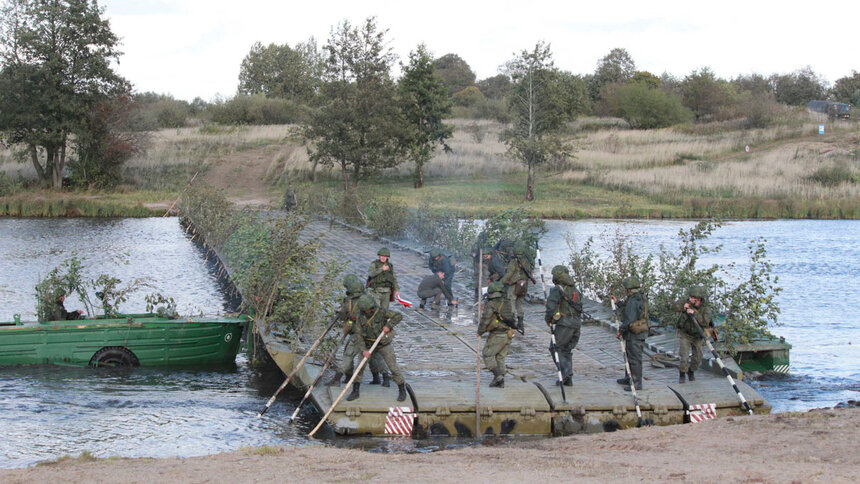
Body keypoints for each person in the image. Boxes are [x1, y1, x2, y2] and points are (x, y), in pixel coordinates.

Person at [327, 276, 390, 387]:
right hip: (373, 333)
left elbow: (343, 316)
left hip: (358, 334)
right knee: (375, 356)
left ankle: (339, 378)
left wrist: (342, 312)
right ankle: (383, 378)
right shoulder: (370, 299)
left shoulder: (349, 302)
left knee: (348, 354)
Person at [347, 295, 408, 402]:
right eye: (364, 310)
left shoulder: (381, 312)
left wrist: (388, 326)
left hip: (382, 344)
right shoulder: (359, 316)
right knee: (359, 368)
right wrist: (363, 350)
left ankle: (402, 389)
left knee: (393, 367)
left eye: (368, 309)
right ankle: (355, 391)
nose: (366, 312)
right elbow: (359, 335)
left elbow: (398, 316)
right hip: (367, 344)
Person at [544, 265, 583, 386]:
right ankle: (568, 377)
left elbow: (551, 307)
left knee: (555, 348)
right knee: (566, 349)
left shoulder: (557, 289)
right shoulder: (575, 289)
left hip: (565, 324)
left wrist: (549, 319)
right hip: (576, 323)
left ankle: (565, 373)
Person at [672, 285, 714, 383]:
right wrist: (683, 306)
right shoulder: (686, 302)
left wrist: (694, 313)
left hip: (698, 336)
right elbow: (674, 307)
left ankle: (691, 371)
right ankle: (682, 374)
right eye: (690, 297)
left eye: (693, 298)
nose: (690, 299)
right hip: (685, 334)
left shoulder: (705, 308)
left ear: (699, 299)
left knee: (698, 357)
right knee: (684, 356)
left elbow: (705, 322)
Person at [612, 276, 648, 391]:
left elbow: (629, 319)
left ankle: (636, 383)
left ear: (629, 289)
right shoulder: (639, 298)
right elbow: (628, 309)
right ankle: (629, 378)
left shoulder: (634, 300)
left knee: (634, 358)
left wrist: (620, 331)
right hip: (636, 332)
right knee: (629, 355)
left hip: (635, 333)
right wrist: (618, 303)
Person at [478, 282, 516, 388]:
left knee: (487, 354)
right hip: (509, 333)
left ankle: (498, 375)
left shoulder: (491, 304)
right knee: (500, 357)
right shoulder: (507, 302)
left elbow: (485, 319)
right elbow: (513, 316)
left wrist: (480, 331)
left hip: (497, 334)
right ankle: (500, 381)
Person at [500, 242, 531, 332]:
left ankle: (512, 322)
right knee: (520, 304)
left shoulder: (513, 262)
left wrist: (501, 282)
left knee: (511, 302)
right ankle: (520, 323)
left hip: (514, 285)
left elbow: (509, 274)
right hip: (524, 285)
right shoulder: (527, 262)